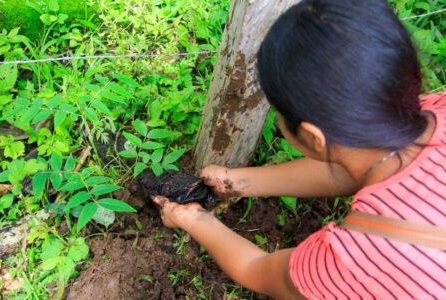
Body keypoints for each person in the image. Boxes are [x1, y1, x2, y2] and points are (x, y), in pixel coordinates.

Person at [153, 0, 446, 298]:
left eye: (278, 114)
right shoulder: (436, 111)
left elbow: (260, 270)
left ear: (312, 137)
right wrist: (237, 181)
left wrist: (194, 219)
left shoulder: (361, 258)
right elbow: (363, 164)